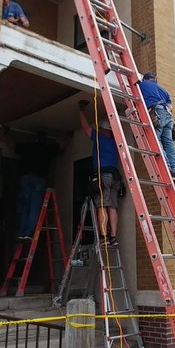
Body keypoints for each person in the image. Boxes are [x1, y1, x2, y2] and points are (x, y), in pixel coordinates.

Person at [78, 100, 121, 244]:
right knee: (112, 207)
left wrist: (81, 111)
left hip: (103, 176)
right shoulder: (115, 142)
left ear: (103, 130)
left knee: (102, 205)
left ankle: (104, 237)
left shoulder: (99, 137)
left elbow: (85, 127)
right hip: (115, 177)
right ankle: (113, 237)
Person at [14, 131, 59, 242]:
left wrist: (7, 133)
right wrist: (69, 136)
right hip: (38, 179)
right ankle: (28, 233)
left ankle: (21, 233)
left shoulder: (27, 147)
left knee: (25, 207)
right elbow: (62, 146)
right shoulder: (47, 149)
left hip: (25, 178)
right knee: (34, 208)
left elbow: (13, 146)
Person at [137, 72, 175, 176]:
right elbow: (170, 106)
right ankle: (173, 168)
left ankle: (167, 166)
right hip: (168, 115)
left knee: (156, 139)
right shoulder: (163, 90)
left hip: (157, 112)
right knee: (168, 141)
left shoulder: (142, 85)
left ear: (145, 79)